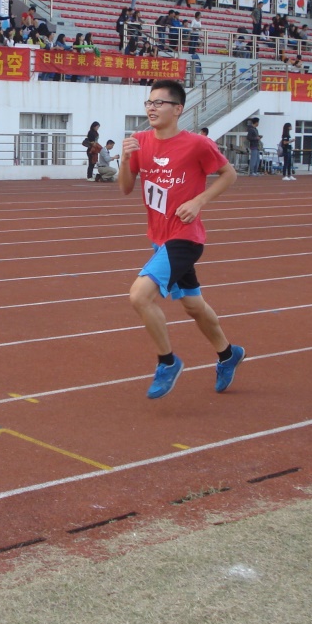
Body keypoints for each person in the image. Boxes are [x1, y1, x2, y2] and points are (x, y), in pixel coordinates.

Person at [119, 79, 244, 399]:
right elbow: (125, 187)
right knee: (193, 305)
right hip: (159, 238)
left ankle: (167, 362)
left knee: (139, 296)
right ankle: (228, 354)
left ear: (178, 109)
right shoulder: (139, 141)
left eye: (159, 103)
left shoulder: (197, 144)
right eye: (149, 103)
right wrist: (124, 159)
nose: (151, 108)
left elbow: (229, 174)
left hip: (185, 237)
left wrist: (199, 201)